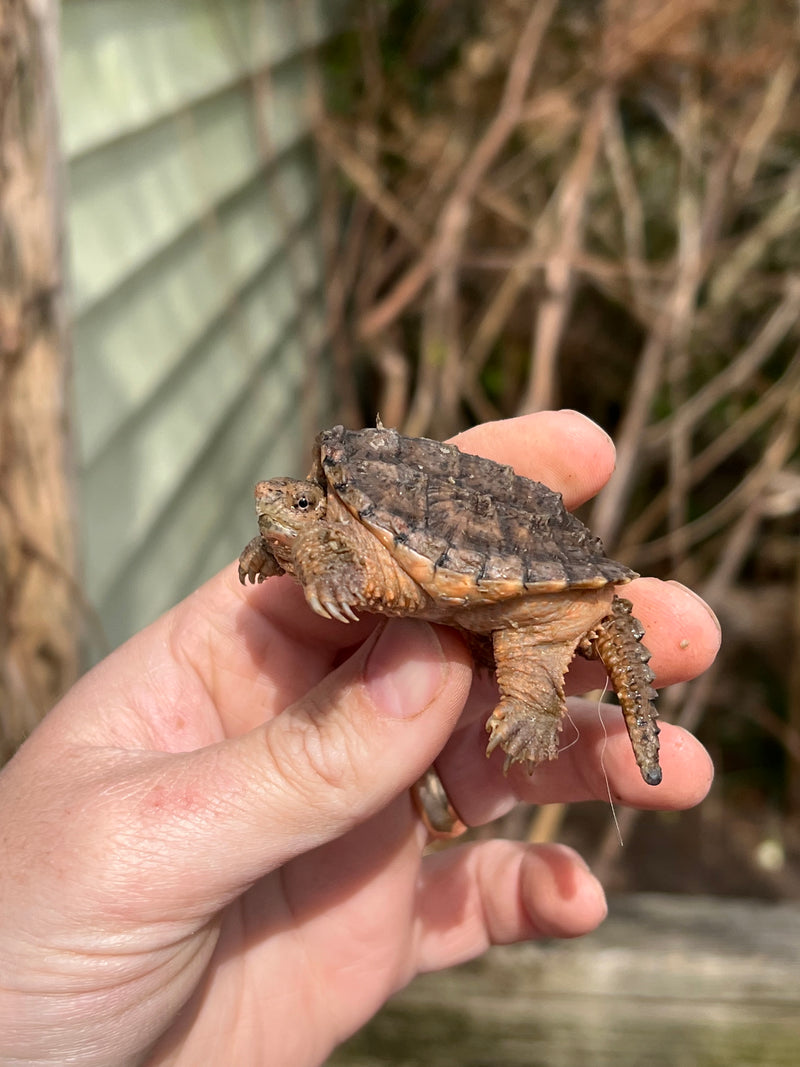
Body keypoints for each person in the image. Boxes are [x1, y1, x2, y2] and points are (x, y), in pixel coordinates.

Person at [0, 411, 719, 1067]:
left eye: (300, 505)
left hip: (541, 596)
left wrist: (311, 548)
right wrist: (287, 544)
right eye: (278, 508)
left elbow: (339, 556)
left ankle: (534, 705)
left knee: (527, 675)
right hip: (500, 602)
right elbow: (316, 546)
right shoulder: (325, 533)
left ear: (328, 511)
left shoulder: (353, 541)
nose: (277, 504)